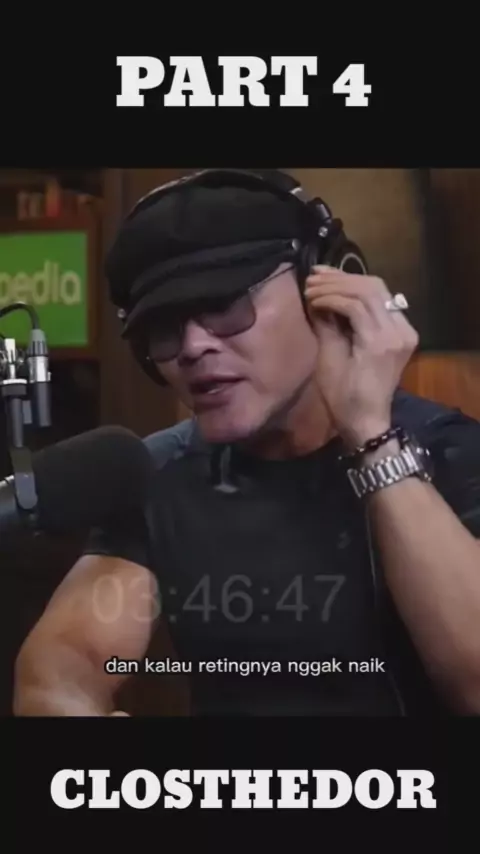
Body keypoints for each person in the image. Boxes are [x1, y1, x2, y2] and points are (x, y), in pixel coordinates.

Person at [14, 169, 480, 717]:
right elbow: (61, 669)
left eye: (225, 305)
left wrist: (372, 438)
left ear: (327, 287)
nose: (192, 347)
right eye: (163, 326)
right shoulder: (157, 473)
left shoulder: (452, 451)